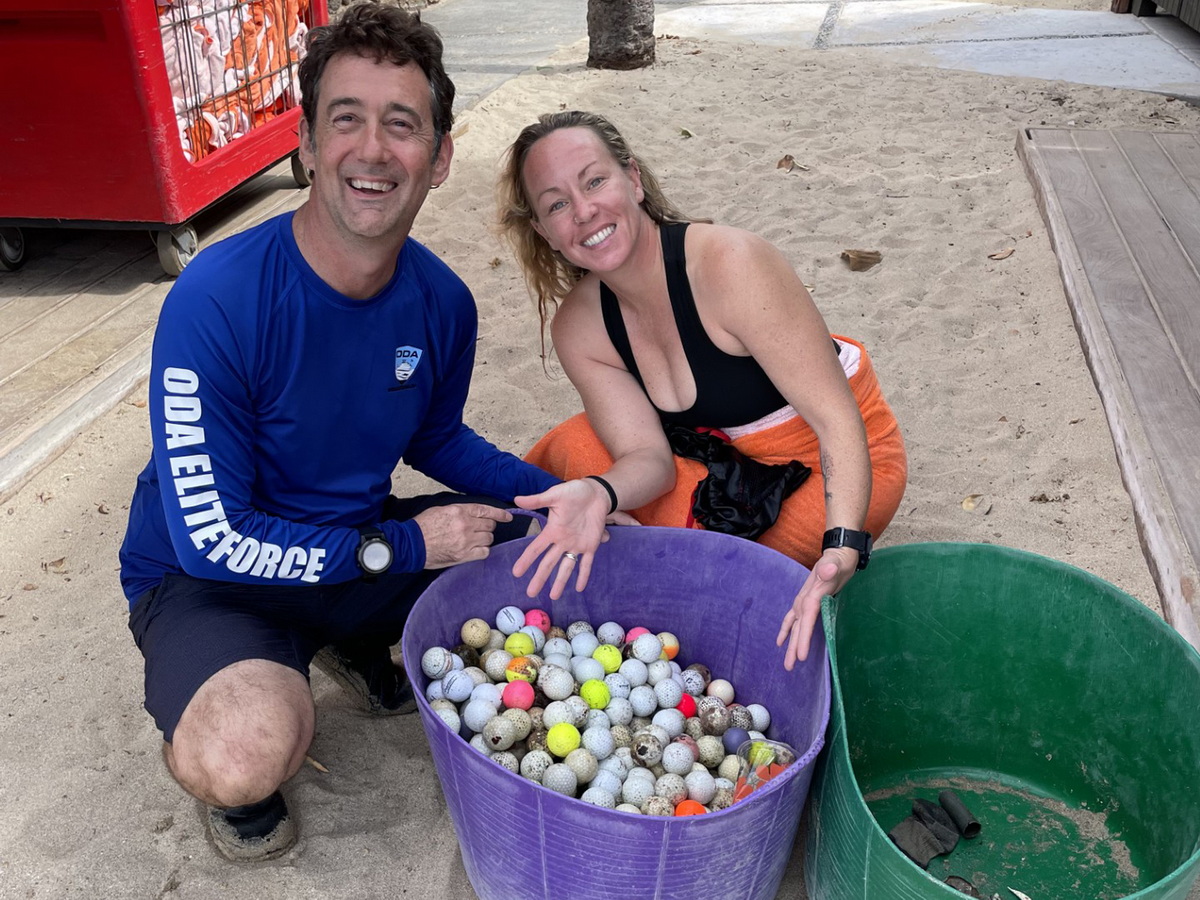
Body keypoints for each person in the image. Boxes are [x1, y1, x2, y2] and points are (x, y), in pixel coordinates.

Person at [118, 6, 615, 863]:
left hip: (356, 544)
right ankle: (263, 673)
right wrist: (396, 549)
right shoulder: (217, 298)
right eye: (345, 119)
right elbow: (211, 540)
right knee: (243, 757)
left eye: (402, 124)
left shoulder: (441, 301)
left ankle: (346, 637)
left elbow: (435, 437)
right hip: (210, 579)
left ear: (440, 156)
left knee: (564, 547)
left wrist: (547, 496)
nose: (374, 150)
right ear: (307, 144)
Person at [497, 110, 908, 672]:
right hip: (720, 456)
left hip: (830, 457)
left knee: (728, 585)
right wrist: (601, 492)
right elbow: (647, 459)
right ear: (544, 230)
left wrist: (841, 544)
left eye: (594, 181)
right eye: (557, 203)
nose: (584, 210)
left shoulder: (732, 266)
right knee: (573, 454)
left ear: (633, 179)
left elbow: (838, 421)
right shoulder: (580, 325)